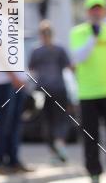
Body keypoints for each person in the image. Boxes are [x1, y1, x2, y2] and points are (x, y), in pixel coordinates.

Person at [70, 0, 106, 183]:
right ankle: (94, 172)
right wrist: (93, 36)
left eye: (99, 9)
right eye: (93, 9)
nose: (96, 12)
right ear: (87, 12)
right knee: (91, 135)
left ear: (104, 11)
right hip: (87, 92)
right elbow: (78, 57)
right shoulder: (78, 32)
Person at [29, 20, 73, 164]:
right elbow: (69, 67)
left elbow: (31, 69)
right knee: (61, 118)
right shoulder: (60, 49)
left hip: (42, 89)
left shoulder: (36, 50)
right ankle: (60, 143)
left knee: (46, 121)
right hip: (59, 87)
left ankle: (54, 152)